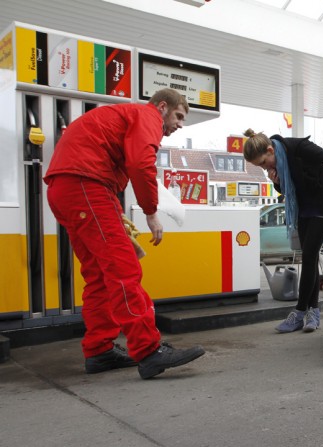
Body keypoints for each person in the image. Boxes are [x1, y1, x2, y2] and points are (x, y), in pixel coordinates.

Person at [44, 88, 205, 379]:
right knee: (123, 267)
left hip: (69, 189)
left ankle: (99, 351)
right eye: (179, 116)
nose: (179, 125)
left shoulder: (124, 117)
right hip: (85, 184)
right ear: (162, 107)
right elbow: (140, 163)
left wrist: (113, 209)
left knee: (99, 275)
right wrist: (151, 211)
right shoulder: (147, 115)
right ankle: (148, 351)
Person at [243, 130, 323, 333]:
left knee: (308, 256)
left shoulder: (298, 148)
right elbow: (287, 189)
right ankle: (313, 312)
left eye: (263, 163)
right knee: (309, 259)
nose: (265, 168)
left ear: (270, 150)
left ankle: (299, 312)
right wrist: (276, 182)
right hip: (304, 207)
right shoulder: (278, 162)